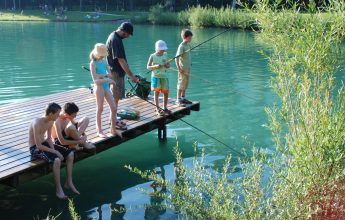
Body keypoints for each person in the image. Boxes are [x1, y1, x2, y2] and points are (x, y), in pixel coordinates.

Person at [28, 103, 79, 199]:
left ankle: (69, 182)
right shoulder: (36, 123)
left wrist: (53, 149)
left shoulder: (51, 121)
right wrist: (55, 152)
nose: (59, 115)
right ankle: (59, 190)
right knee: (57, 160)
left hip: (45, 144)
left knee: (70, 154)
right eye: (57, 113)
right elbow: (38, 145)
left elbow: (48, 139)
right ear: (51, 114)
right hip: (35, 148)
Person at [106, 22, 139, 130]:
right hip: (115, 73)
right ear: (124, 31)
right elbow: (120, 60)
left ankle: (114, 119)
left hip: (115, 72)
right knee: (115, 98)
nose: (128, 36)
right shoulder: (115, 40)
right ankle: (113, 122)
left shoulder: (114, 36)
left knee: (115, 98)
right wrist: (131, 76)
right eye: (128, 34)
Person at [89, 43, 121, 138]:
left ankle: (113, 129)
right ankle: (99, 131)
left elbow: (109, 73)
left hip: (106, 86)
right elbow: (95, 80)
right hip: (99, 87)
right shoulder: (92, 63)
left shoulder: (104, 60)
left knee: (114, 108)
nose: (104, 56)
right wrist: (107, 78)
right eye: (102, 54)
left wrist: (108, 74)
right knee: (100, 109)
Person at [147, 40, 171, 116]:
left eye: (164, 49)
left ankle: (165, 107)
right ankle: (157, 108)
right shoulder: (152, 56)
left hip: (164, 77)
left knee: (166, 93)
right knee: (156, 93)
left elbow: (168, 65)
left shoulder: (165, 54)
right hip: (156, 77)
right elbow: (148, 67)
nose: (163, 51)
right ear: (157, 49)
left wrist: (166, 65)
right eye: (161, 49)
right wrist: (155, 66)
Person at [175, 29, 193, 106]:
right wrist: (179, 68)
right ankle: (178, 100)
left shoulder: (188, 45)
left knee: (185, 83)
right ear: (185, 37)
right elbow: (176, 58)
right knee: (181, 83)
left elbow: (187, 56)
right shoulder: (181, 46)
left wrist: (190, 63)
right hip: (182, 68)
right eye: (190, 38)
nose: (191, 39)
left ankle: (183, 98)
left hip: (187, 68)